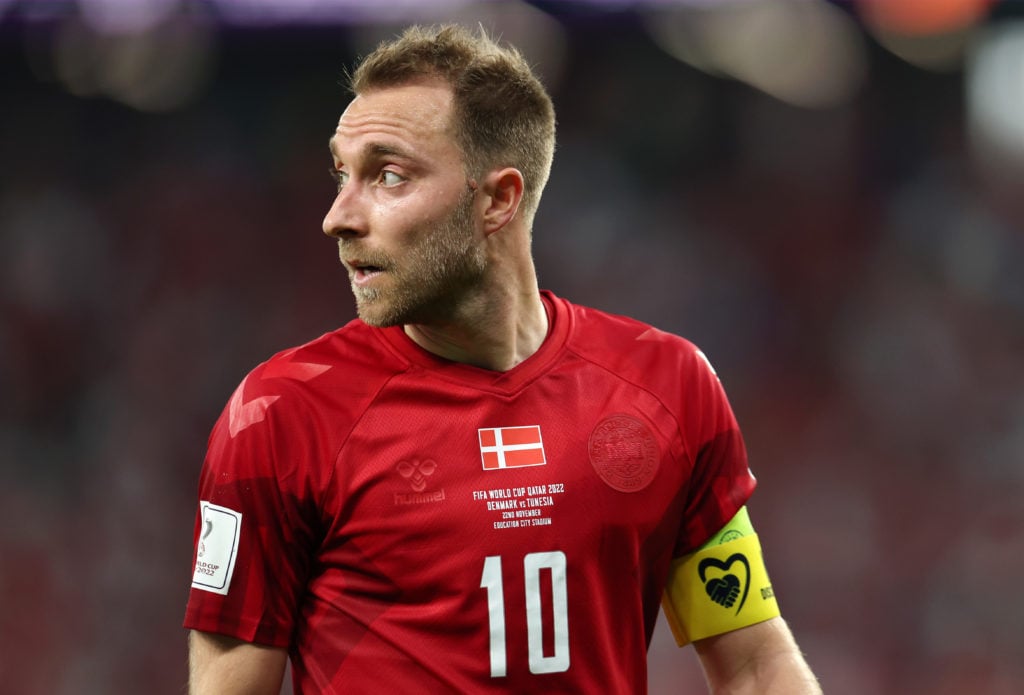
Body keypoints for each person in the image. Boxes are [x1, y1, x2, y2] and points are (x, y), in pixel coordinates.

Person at [184, 23, 821, 694]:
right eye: (343, 174)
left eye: (388, 175)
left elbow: (753, 664)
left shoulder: (667, 385)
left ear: (498, 199)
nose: (338, 216)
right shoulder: (281, 414)